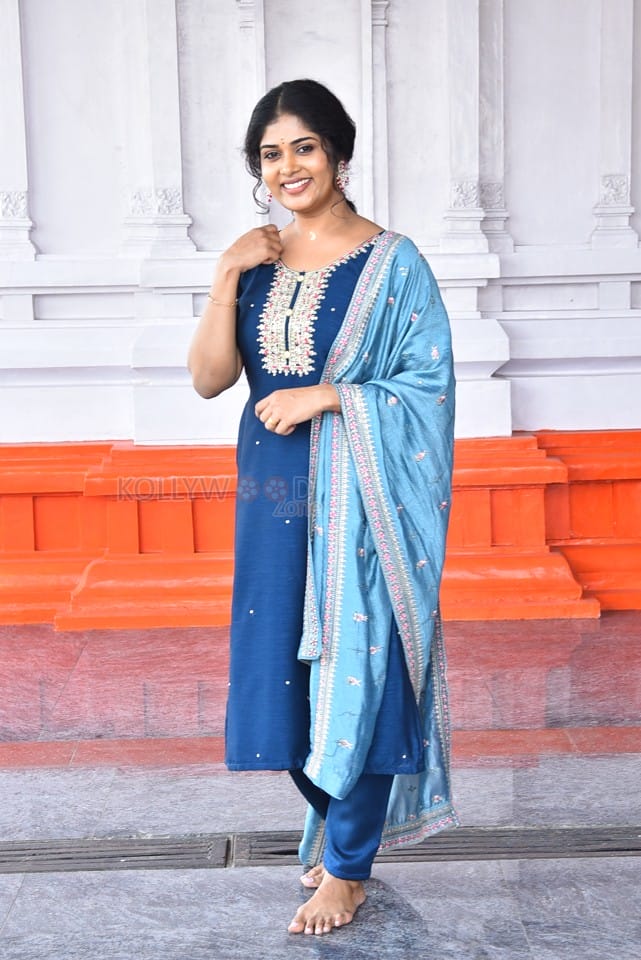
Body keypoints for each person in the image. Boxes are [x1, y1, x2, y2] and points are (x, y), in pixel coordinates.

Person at [188, 78, 457, 937]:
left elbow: (427, 387)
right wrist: (226, 273)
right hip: (274, 495)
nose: (287, 166)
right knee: (280, 677)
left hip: (365, 501)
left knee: (363, 667)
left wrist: (333, 395)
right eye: (270, 154)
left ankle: (347, 865)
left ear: (338, 154)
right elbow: (209, 379)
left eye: (303, 147)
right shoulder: (257, 264)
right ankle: (336, 826)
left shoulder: (393, 263)